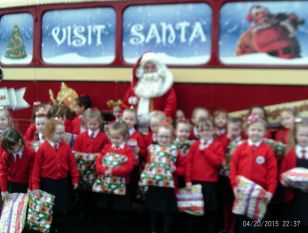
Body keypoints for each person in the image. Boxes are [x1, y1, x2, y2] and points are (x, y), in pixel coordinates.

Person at [230, 114, 277, 233]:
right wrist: (234, 186)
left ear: (265, 132)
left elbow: (272, 172)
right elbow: (233, 168)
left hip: (259, 193)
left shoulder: (267, 150)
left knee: (256, 225)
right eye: (253, 129)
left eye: (259, 130)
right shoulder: (241, 148)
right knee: (242, 223)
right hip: (242, 192)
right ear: (247, 131)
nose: (256, 132)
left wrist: (270, 191)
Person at [32, 118, 79, 233]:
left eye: (63, 132)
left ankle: (58, 225)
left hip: (62, 181)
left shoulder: (66, 147)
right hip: (47, 182)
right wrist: (35, 185)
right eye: (58, 133)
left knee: (60, 205)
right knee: (48, 207)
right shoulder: (43, 148)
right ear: (49, 133)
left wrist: (75, 179)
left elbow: (72, 164)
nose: (61, 135)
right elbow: (36, 168)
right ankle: (49, 226)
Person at [95, 121, 135, 233]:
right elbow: (98, 162)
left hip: (121, 184)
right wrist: (103, 170)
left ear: (125, 137)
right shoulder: (107, 147)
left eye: (118, 138)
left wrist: (114, 170)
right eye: (112, 138)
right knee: (107, 206)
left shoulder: (128, 150)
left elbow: (129, 167)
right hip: (106, 183)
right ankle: (108, 225)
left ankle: (119, 226)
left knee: (120, 207)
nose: (115, 141)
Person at [185, 118, 224, 233]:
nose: (205, 133)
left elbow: (218, 162)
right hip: (195, 182)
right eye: (202, 130)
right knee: (194, 211)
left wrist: (205, 151)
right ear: (198, 132)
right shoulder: (195, 145)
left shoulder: (217, 145)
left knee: (210, 212)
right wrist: (188, 180)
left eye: (208, 130)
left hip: (210, 183)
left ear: (213, 131)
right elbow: (189, 163)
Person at [73, 107, 110, 224]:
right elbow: (75, 151)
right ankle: (83, 213)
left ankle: (93, 214)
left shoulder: (103, 137)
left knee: (94, 193)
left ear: (99, 123)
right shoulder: (81, 136)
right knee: (82, 193)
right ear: (86, 123)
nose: (92, 126)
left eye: (95, 124)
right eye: (90, 124)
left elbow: (105, 152)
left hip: (96, 171)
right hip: (83, 171)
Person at [139, 123, 178, 233]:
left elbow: (182, 167)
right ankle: (153, 230)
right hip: (154, 182)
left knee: (168, 210)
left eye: (167, 137)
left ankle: (166, 230)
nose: (164, 139)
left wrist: (175, 169)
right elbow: (149, 162)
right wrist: (147, 167)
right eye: (161, 136)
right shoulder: (152, 148)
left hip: (168, 185)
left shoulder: (174, 150)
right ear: (156, 136)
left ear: (172, 137)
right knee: (153, 208)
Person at [123, 52, 177, 121]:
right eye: (147, 68)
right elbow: (126, 104)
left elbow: (170, 106)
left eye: (153, 67)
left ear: (158, 68)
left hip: (158, 125)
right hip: (136, 124)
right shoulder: (136, 87)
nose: (150, 70)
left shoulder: (165, 86)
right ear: (142, 70)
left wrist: (163, 120)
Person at [279, 121, 308, 231]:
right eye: (301, 135)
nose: (304, 138)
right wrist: (284, 181)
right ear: (296, 136)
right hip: (294, 196)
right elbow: (282, 173)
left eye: (307, 135)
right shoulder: (290, 154)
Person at [1, 128, 35, 200]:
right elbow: (3, 172)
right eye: (6, 149)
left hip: (25, 185)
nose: (9, 151)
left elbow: (32, 172)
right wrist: (3, 190)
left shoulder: (30, 153)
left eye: (12, 149)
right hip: (11, 185)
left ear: (19, 142)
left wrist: (30, 187)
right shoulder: (6, 154)